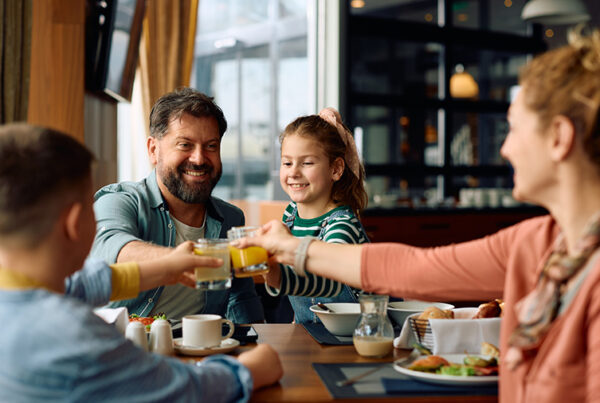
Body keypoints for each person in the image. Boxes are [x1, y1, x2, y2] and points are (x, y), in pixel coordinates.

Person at [234, 28, 600, 403]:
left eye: (515, 129)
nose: (504, 148)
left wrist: (292, 249)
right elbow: (415, 267)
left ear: (559, 137)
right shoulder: (536, 241)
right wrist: (290, 249)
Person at [0, 124, 282, 401]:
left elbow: (84, 284)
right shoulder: (75, 337)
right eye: (90, 206)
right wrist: (250, 370)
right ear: (74, 223)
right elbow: (189, 390)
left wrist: (168, 267)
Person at [91, 87, 264, 323]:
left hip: (200, 351)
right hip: (126, 348)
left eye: (211, 146)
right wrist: (174, 262)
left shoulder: (231, 218)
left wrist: (251, 340)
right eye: (185, 145)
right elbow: (109, 247)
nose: (199, 158)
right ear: (153, 149)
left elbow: (240, 298)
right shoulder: (120, 200)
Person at [263, 107, 370, 324]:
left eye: (307, 163)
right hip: (312, 334)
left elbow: (326, 282)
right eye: (287, 163)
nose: (293, 172)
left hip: (352, 339)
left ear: (336, 169)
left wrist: (276, 276)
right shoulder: (290, 214)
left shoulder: (342, 224)